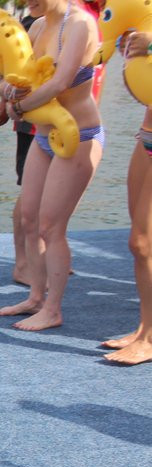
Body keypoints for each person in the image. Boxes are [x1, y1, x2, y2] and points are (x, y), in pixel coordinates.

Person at [0, 0, 102, 331]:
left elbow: (60, 83)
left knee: (50, 227)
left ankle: (53, 309)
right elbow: (10, 75)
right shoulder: (37, 25)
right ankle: (36, 297)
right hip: (42, 136)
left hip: (78, 136)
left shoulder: (80, 24)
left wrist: (21, 106)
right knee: (29, 219)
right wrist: (8, 95)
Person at [102, 32, 152, 364]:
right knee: (140, 241)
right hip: (147, 131)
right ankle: (145, 328)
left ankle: (149, 339)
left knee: (142, 241)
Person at [0, 11, 41, 286]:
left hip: (74, 125)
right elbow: (7, 69)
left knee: (56, 198)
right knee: (31, 194)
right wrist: (5, 101)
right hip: (33, 125)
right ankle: (23, 263)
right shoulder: (35, 23)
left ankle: (46, 255)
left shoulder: (89, 16)